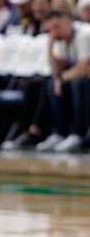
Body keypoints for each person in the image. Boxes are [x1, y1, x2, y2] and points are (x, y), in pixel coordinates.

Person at [35, 10, 90, 153]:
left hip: (84, 78)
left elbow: (84, 68)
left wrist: (61, 79)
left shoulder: (84, 34)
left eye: (57, 27)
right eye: (50, 30)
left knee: (78, 83)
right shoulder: (62, 39)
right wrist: (50, 46)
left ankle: (79, 134)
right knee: (51, 84)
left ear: (68, 22)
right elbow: (57, 70)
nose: (54, 32)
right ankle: (60, 133)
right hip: (80, 78)